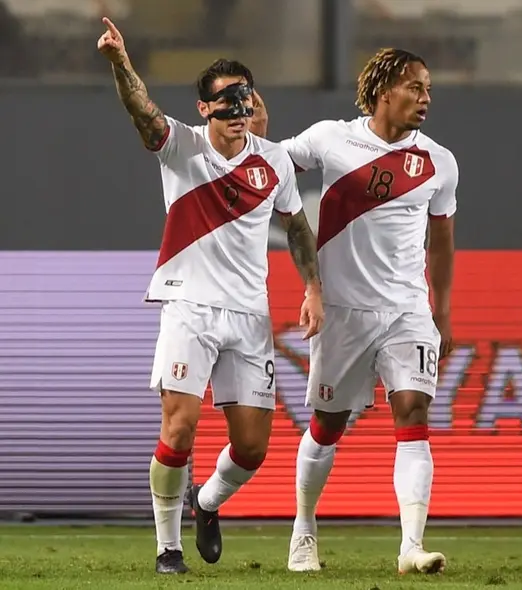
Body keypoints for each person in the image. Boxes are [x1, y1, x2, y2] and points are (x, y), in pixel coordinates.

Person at [97, 17, 324, 575]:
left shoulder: (273, 163)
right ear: (205, 108)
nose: (241, 109)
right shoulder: (183, 148)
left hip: (249, 316)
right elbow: (141, 111)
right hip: (189, 306)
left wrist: (314, 286)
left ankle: (205, 502)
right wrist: (121, 62)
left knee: (251, 450)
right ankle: (167, 548)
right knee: (179, 426)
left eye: (247, 98)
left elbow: (296, 228)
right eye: (229, 99)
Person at [248, 48, 457, 575]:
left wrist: (443, 312)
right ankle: (303, 530)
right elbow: (268, 166)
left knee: (413, 410)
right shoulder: (330, 139)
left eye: (429, 89)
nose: (426, 98)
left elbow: (442, 244)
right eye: (416, 87)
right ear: (385, 89)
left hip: (407, 308)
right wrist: (256, 134)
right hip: (342, 310)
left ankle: (411, 545)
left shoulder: (438, 161)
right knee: (326, 423)